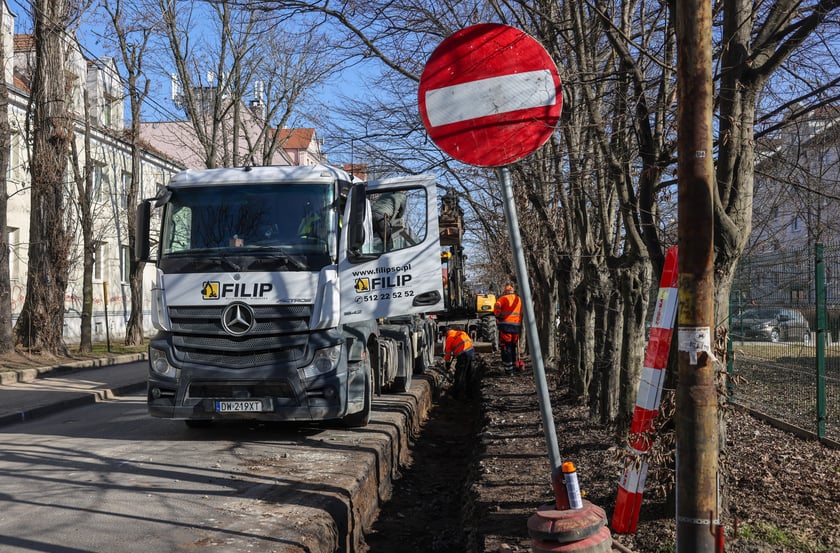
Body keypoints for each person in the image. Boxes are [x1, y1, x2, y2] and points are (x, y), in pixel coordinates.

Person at [494, 284, 523, 375]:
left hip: (505, 326)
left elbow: (497, 307)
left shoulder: (502, 299)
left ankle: (509, 369)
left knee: (506, 347)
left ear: (505, 291)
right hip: (516, 327)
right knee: (513, 346)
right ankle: (514, 367)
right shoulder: (519, 300)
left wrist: (498, 315)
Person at [443, 326, 475, 398]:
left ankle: (456, 394)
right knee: (469, 373)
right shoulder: (462, 332)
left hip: (463, 355)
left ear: (446, 333)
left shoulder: (449, 338)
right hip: (471, 352)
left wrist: (447, 363)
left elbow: (448, 353)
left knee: (459, 375)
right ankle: (469, 393)